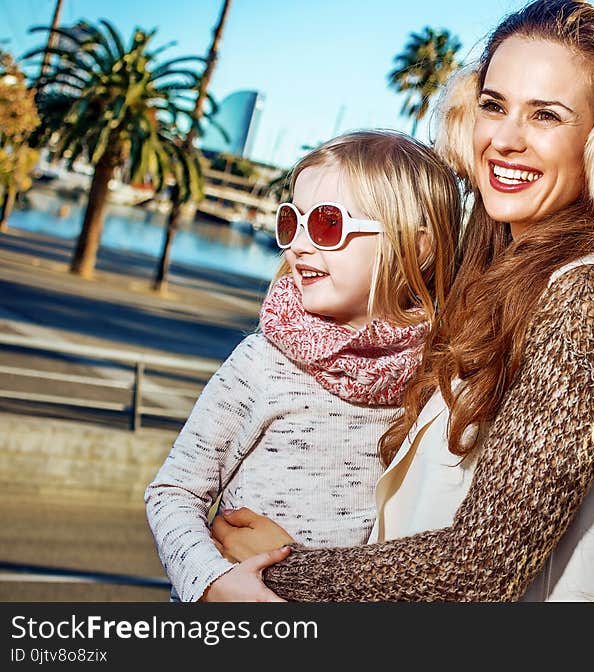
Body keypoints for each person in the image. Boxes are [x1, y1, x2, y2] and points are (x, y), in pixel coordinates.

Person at [211, 0, 594, 602]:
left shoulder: (593, 296)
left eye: (546, 116)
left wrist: (279, 571)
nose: (505, 140)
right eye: (493, 105)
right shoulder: (513, 282)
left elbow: (483, 566)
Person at [144, 130, 461, 602]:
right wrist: (214, 584)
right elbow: (172, 492)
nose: (298, 246)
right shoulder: (262, 361)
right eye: (292, 223)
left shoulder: (437, 386)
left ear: (417, 247)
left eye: (328, 226)